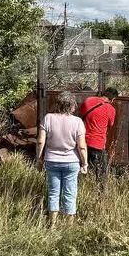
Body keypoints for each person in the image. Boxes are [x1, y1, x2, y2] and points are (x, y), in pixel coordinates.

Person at [35, 91, 88, 224]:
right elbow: (81, 146)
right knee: (70, 193)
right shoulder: (77, 122)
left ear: (57, 104)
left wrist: (39, 159)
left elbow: (41, 141)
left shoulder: (48, 118)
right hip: (71, 162)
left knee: (53, 193)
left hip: (51, 161)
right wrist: (85, 163)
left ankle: (52, 224)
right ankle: (68, 225)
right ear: (72, 106)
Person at [79, 87, 118, 184]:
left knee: (79, 170)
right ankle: (101, 195)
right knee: (101, 174)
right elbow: (110, 124)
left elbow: (80, 115)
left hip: (83, 142)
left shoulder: (88, 101)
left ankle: (77, 189)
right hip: (98, 144)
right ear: (113, 99)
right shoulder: (111, 109)